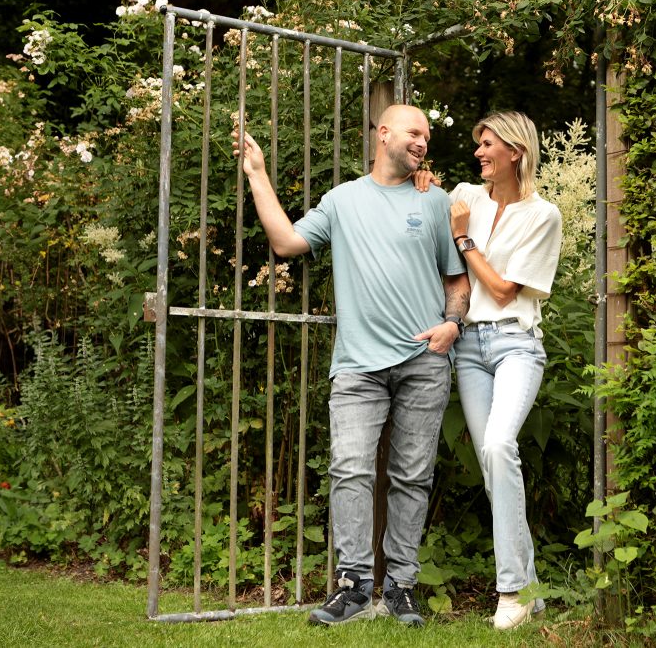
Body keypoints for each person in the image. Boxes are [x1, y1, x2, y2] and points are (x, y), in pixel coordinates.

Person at [232, 104, 470, 627]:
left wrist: (452, 324)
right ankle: (355, 586)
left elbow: (456, 280)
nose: (423, 142)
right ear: (383, 133)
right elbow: (286, 242)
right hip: (358, 366)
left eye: (427, 136)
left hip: (423, 360)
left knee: (411, 475)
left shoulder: (434, 202)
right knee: (350, 471)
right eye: (414, 132)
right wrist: (258, 175)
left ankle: (402, 586)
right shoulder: (341, 201)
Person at [416, 111, 562, 629]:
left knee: (500, 446)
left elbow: (502, 290)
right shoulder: (466, 197)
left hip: (516, 345)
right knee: (492, 462)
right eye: (478, 143)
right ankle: (532, 591)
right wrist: (425, 187)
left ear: (516, 152)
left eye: (488, 144)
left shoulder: (544, 215)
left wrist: (464, 240)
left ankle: (511, 591)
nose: (478, 152)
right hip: (470, 349)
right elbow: (431, 212)